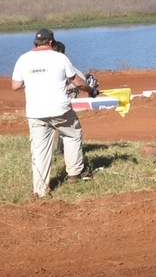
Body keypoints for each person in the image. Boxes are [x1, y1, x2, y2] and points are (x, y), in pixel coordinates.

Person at [11, 29, 96, 199]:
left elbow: (15, 86)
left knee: (40, 150)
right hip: (60, 110)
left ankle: (40, 190)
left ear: (35, 42)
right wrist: (91, 90)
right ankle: (75, 174)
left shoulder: (23, 59)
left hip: (35, 112)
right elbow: (78, 82)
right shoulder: (60, 57)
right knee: (72, 135)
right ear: (51, 42)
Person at [51, 41, 80, 156]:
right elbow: (80, 80)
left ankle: (58, 151)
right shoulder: (62, 63)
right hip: (60, 101)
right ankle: (61, 151)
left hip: (45, 103)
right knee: (64, 126)